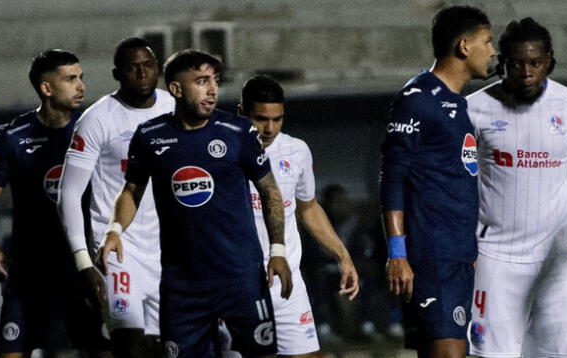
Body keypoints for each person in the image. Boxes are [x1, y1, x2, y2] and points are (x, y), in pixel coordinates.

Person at [96, 49, 292, 358]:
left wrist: (277, 251)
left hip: (240, 277)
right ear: (176, 89)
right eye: (201, 81)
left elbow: (270, 192)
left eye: (214, 80)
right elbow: (131, 191)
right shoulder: (149, 137)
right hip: (182, 287)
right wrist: (114, 230)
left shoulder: (238, 133)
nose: (212, 89)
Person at [0, 49, 108, 358]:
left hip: (83, 268)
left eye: (81, 78)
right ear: (46, 88)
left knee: (103, 349)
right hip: (28, 271)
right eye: (71, 79)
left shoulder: (94, 131)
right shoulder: (12, 138)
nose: (81, 86)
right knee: (11, 351)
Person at [380, 5, 495, 358]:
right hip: (433, 256)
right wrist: (398, 253)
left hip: (456, 255)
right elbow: (393, 177)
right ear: (464, 46)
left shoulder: (456, 104)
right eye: (487, 42)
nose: (492, 51)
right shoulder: (418, 99)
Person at [58, 37, 174, 358]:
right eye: (132, 67)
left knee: (169, 347)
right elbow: (68, 194)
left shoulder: (174, 110)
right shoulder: (97, 119)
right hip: (118, 250)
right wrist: (84, 262)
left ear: (158, 69)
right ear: (116, 74)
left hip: (170, 250)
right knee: (129, 342)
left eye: (148, 65)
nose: (141, 73)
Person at [466, 18, 567, 358]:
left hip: (556, 261)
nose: (526, 72)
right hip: (496, 259)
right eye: (516, 64)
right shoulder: (474, 109)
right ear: (503, 64)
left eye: (535, 63)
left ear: (549, 61)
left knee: (556, 352)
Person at [235, 75, 359, 357]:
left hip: (286, 283)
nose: (269, 128)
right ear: (242, 112)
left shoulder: (297, 150)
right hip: (238, 284)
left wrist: (343, 255)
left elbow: (308, 208)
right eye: (260, 119)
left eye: (277, 119)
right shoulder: (223, 153)